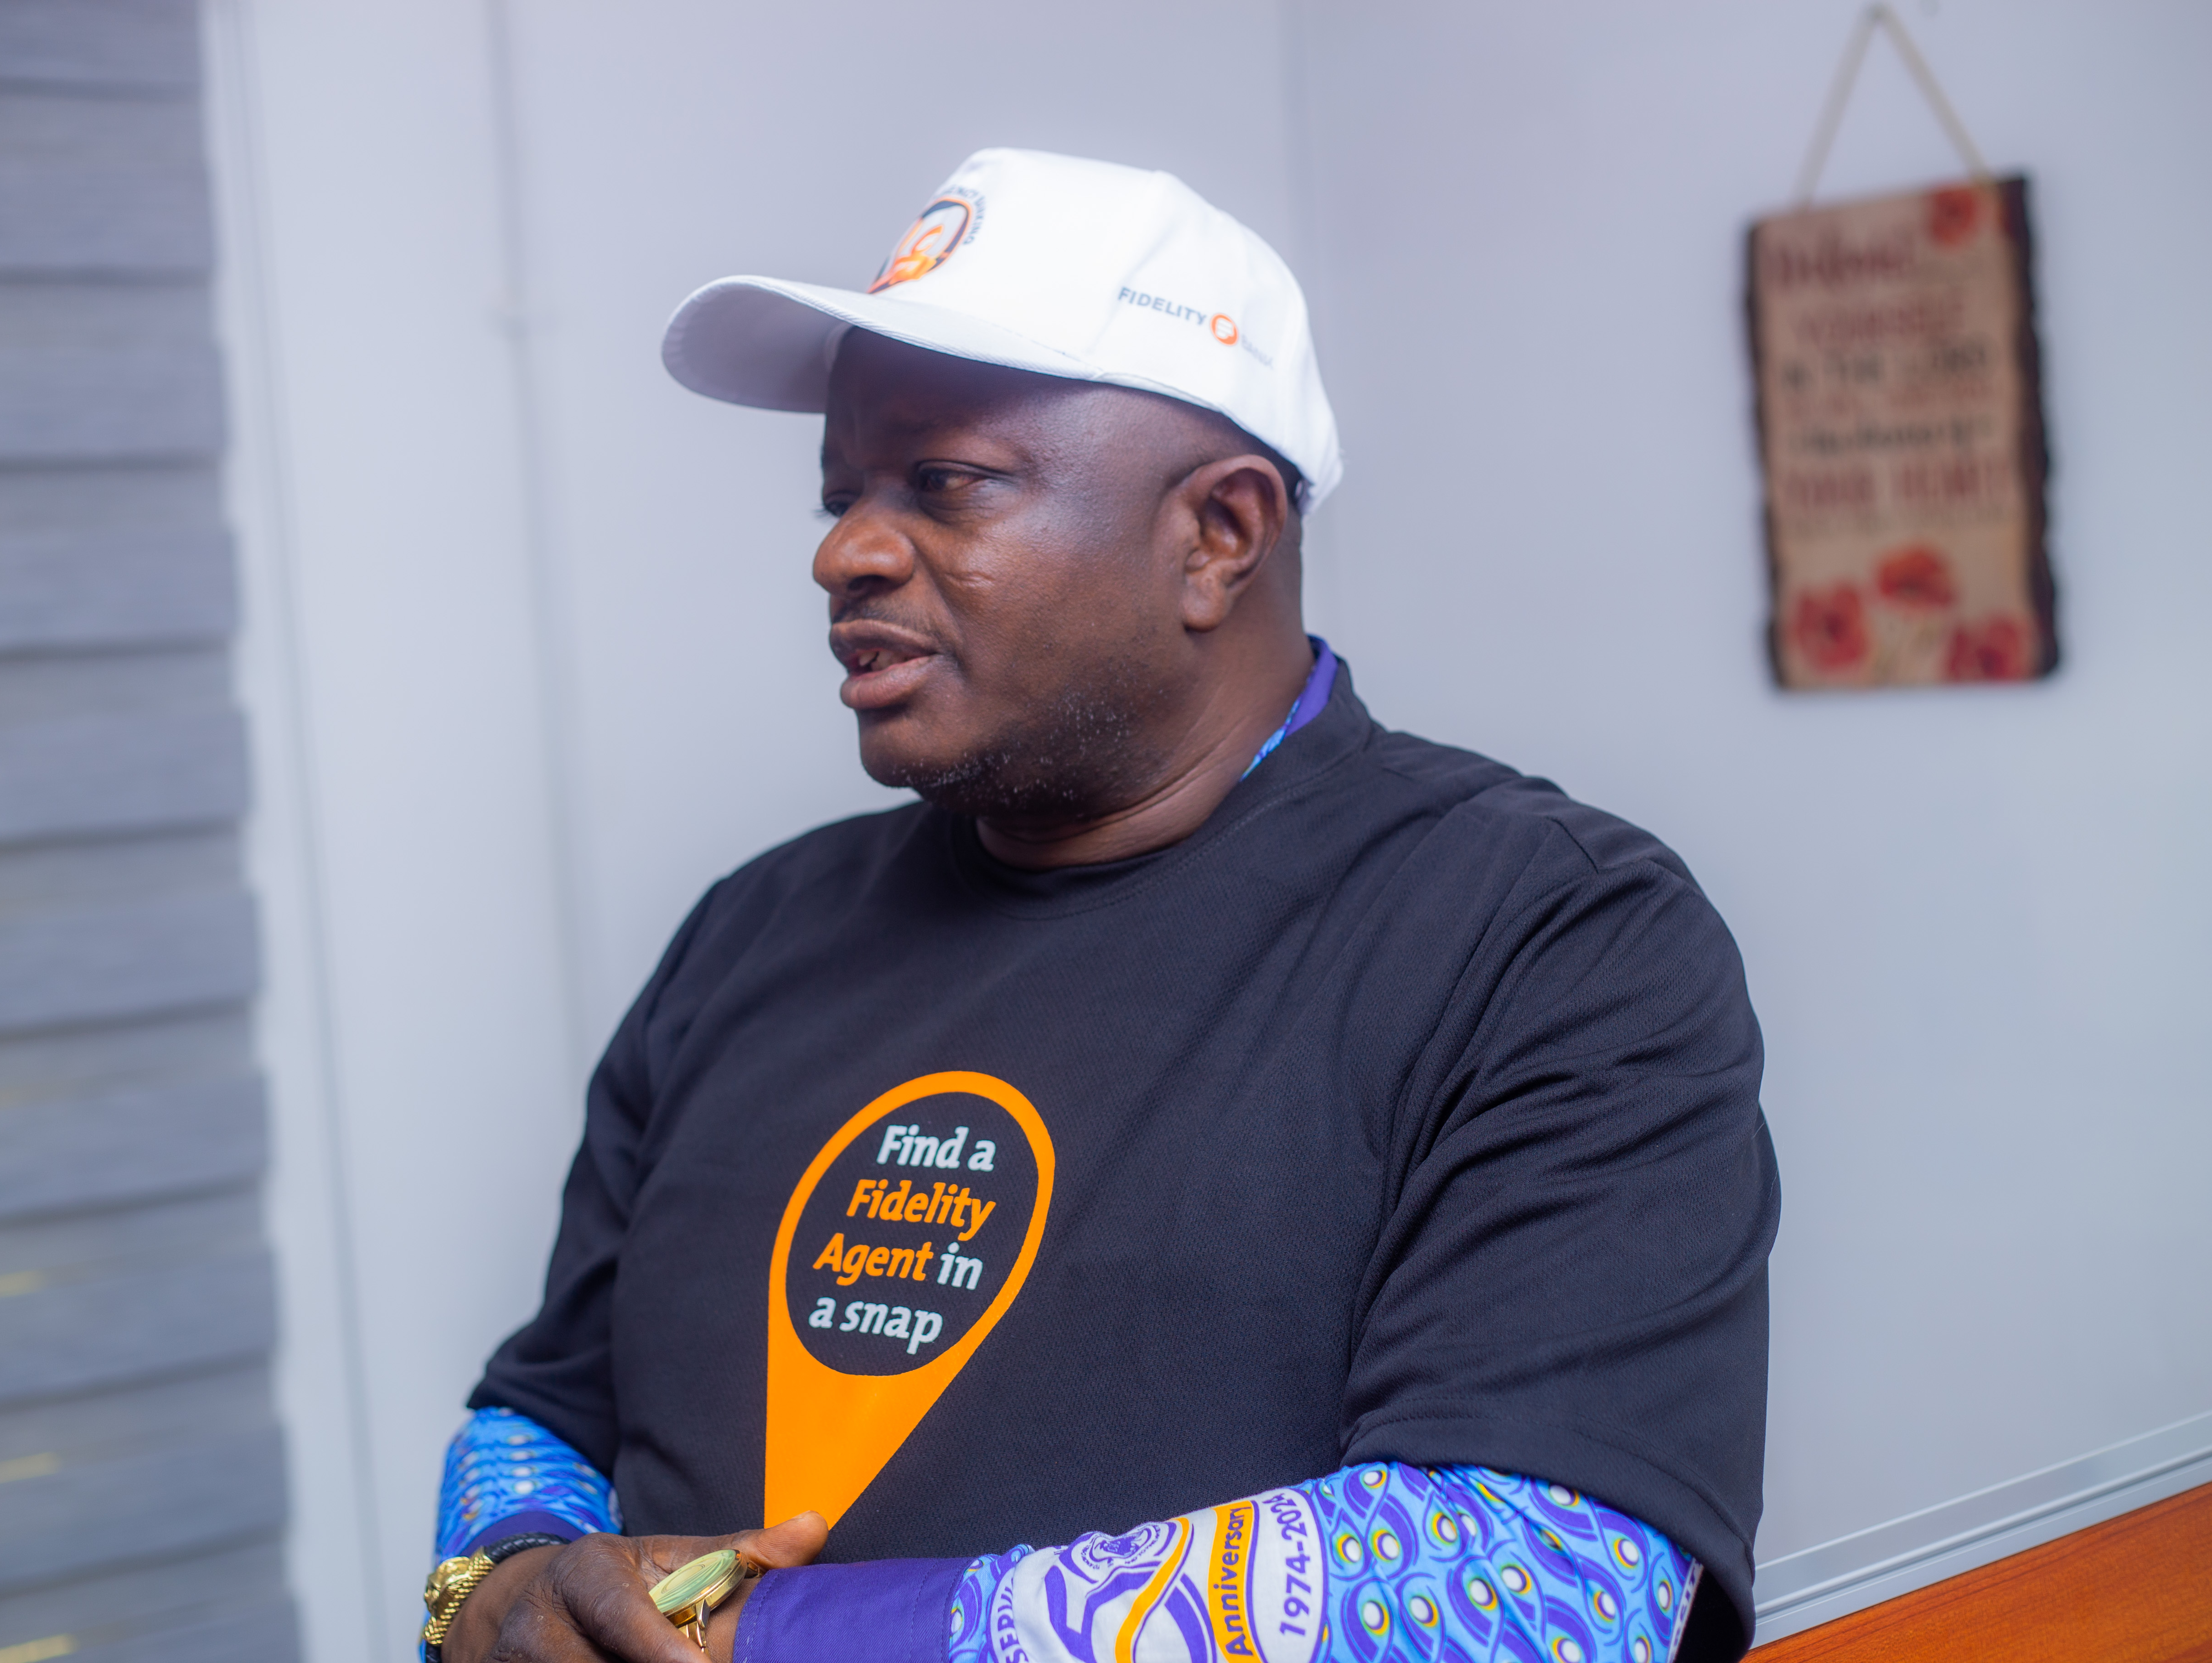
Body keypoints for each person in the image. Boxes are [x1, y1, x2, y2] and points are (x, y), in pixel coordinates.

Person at [420, 149, 1778, 1663]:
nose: (844, 552)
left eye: (945, 484)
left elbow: (1535, 1588)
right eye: (843, 494)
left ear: (1218, 535)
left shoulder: (1546, 938)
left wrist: (773, 1640)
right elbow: (540, 1411)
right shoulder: (748, 934)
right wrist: (507, 1580)